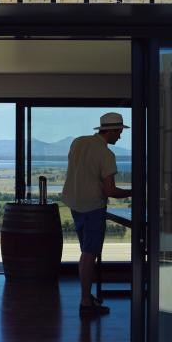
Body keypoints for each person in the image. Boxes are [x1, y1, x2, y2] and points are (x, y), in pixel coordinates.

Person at [61, 112, 132, 317]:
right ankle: (85, 300)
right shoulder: (107, 154)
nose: (120, 136)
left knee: (86, 252)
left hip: (75, 203)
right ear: (110, 131)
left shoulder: (78, 142)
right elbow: (110, 191)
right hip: (93, 206)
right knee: (89, 254)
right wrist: (134, 191)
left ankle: (87, 294)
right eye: (119, 132)